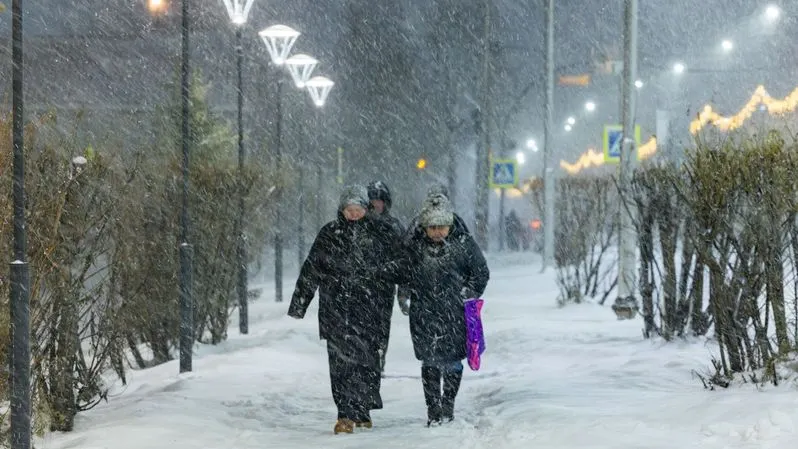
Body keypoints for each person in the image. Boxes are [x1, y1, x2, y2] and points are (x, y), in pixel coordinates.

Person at [288, 184, 398, 434]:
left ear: (366, 209)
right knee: (340, 365)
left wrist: (392, 282)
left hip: (370, 311)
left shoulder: (380, 232)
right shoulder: (330, 233)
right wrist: (299, 302)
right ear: (342, 210)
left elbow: (399, 264)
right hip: (336, 310)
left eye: (358, 209)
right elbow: (312, 268)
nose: (354, 214)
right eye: (350, 209)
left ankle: (362, 409)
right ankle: (344, 414)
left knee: (367, 362)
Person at [386, 192, 490, 427]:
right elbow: (404, 273)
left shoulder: (463, 245)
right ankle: (433, 407)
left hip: (455, 314)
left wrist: (468, 292)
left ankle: (448, 403)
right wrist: (403, 294)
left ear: (449, 224)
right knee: (430, 361)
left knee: (453, 361)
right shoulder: (414, 247)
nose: (437, 232)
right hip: (424, 313)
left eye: (442, 226)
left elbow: (481, 272)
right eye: (432, 227)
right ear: (424, 227)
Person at [366, 180, 406, 377]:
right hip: (362, 285)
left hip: (384, 286)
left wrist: (402, 288)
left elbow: (404, 259)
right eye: (373, 200)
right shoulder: (359, 226)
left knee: (381, 324)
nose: (376, 204)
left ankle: (379, 356)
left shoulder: (393, 227)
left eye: (379, 200)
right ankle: (366, 357)